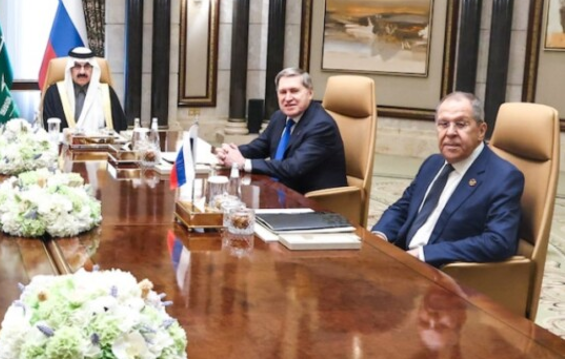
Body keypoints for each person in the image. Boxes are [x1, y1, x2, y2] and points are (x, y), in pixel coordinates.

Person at [371, 92, 523, 267]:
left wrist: (424, 254)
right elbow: (403, 208)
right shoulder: (433, 164)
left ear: (481, 131)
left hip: (441, 271)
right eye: (443, 124)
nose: (450, 132)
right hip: (401, 258)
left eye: (461, 124)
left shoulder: (503, 178)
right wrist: (379, 236)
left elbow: (498, 241)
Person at [217, 68, 347, 194]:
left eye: (294, 91)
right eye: (283, 92)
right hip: (281, 190)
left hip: (312, 199)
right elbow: (260, 147)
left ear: (310, 93)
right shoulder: (279, 117)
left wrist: (244, 163)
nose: (288, 98)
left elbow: (293, 168)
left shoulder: (321, 125)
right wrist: (229, 153)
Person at [41, 47, 128, 133]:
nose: (82, 72)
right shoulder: (54, 93)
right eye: (77, 66)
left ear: (93, 69)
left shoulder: (106, 93)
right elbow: (48, 129)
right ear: (70, 69)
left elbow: (121, 127)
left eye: (87, 66)